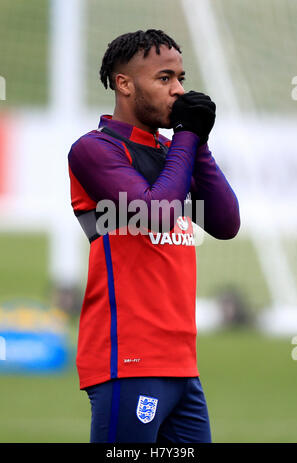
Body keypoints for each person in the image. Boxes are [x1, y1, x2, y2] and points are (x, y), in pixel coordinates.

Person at [68, 29, 240, 443]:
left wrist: (197, 142)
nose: (179, 91)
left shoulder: (171, 153)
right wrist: (185, 136)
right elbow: (156, 212)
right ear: (125, 84)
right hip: (128, 359)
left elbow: (225, 222)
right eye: (165, 79)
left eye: (181, 78)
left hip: (182, 365)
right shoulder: (94, 149)